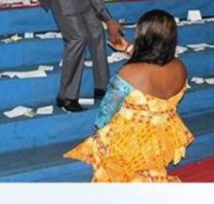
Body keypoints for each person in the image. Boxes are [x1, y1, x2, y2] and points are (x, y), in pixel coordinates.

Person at [64, 9, 194, 182]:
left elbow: (105, 114)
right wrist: (127, 49)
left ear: (142, 35)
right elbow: (155, 66)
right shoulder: (180, 67)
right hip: (163, 140)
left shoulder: (129, 73)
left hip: (132, 145)